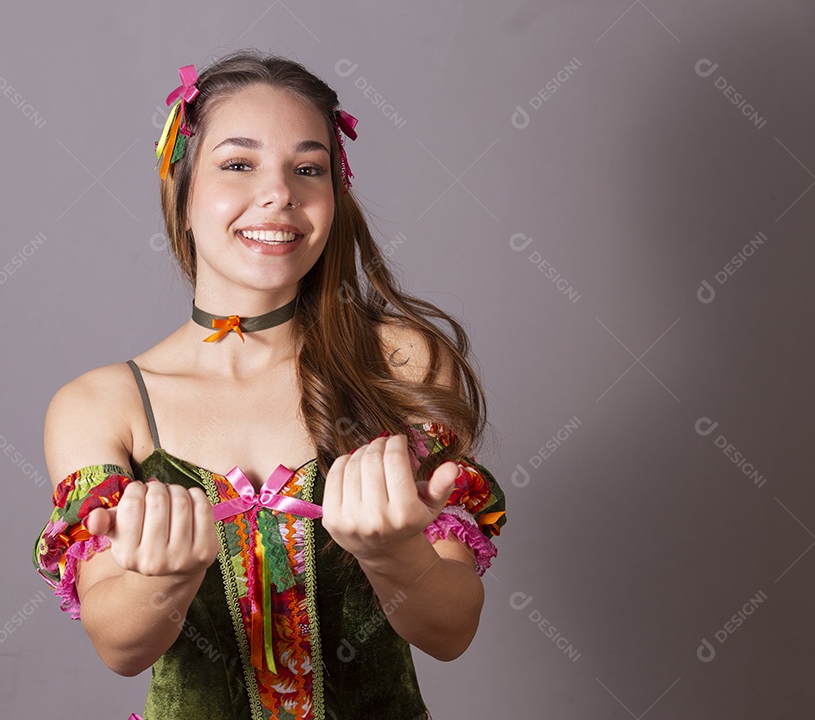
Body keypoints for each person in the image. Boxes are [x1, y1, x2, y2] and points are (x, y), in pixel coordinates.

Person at [32, 49, 507, 720]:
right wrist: (163, 579)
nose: (280, 192)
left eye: (307, 169)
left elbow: (450, 631)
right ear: (183, 190)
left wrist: (397, 554)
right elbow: (119, 646)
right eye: (238, 164)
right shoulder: (102, 404)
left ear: (333, 198)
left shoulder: (400, 361)